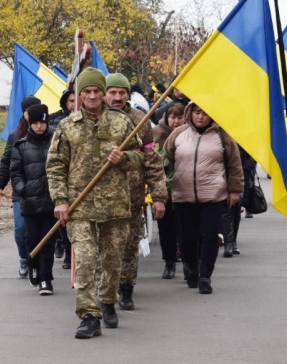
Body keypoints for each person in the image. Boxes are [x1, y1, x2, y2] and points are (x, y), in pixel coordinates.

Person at [46, 67, 143, 339]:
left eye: (96, 91)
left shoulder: (122, 123)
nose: (91, 95)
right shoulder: (67, 126)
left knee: (112, 261)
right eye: (86, 91)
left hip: (115, 205)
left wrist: (123, 159)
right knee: (86, 260)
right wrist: (61, 201)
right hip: (80, 206)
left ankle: (108, 300)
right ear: (78, 95)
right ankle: (89, 316)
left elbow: (141, 157)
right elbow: (55, 166)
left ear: (103, 94)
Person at [164, 104, 244, 294]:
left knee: (210, 236)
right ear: (190, 113)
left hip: (214, 195)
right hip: (183, 195)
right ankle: (191, 269)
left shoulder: (223, 136)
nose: (200, 117)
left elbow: (234, 164)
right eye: (197, 112)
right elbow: (164, 160)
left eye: (205, 113)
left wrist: (235, 190)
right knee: (186, 238)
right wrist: (162, 188)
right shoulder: (178, 134)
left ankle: (205, 276)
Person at [104, 73, 167, 312]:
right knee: (104, 249)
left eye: (122, 93)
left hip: (132, 198)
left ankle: (126, 289)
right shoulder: (94, 119)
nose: (117, 97)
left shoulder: (140, 120)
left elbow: (152, 161)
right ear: (105, 93)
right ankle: (104, 292)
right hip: (101, 201)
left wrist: (159, 197)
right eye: (113, 92)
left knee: (129, 247)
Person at [10, 103, 57, 295]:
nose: (39, 126)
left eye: (42, 123)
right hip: (30, 202)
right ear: (30, 124)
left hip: (52, 201)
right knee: (32, 239)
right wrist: (23, 189)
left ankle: (46, 279)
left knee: (48, 241)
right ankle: (34, 267)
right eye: (35, 123)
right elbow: (15, 172)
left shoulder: (56, 142)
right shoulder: (21, 146)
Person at [0, 95, 40, 278]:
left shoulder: (49, 133)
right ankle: (24, 258)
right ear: (24, 113)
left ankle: (38, 262)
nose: (32, 115)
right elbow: (6, 161)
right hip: (21, 189)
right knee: (21, 228)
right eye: (29, 111)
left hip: (42, 190)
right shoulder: (15, 136)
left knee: (39, 230)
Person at [153, 102, 186, 279]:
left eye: (180, 117)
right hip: (164, 190)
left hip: (186, 190)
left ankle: (188, 261)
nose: (176, 121)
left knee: (186, 228)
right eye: (173, 117)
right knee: (166, 229)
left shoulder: (189, 134)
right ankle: (169, 262)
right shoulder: (157, 133)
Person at [49, 90, 76, 270]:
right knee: (64, 220)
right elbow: (55, 162)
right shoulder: (59, 125)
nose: (75, 104)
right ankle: (66, 248)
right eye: (71, 101)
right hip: (65, 184)